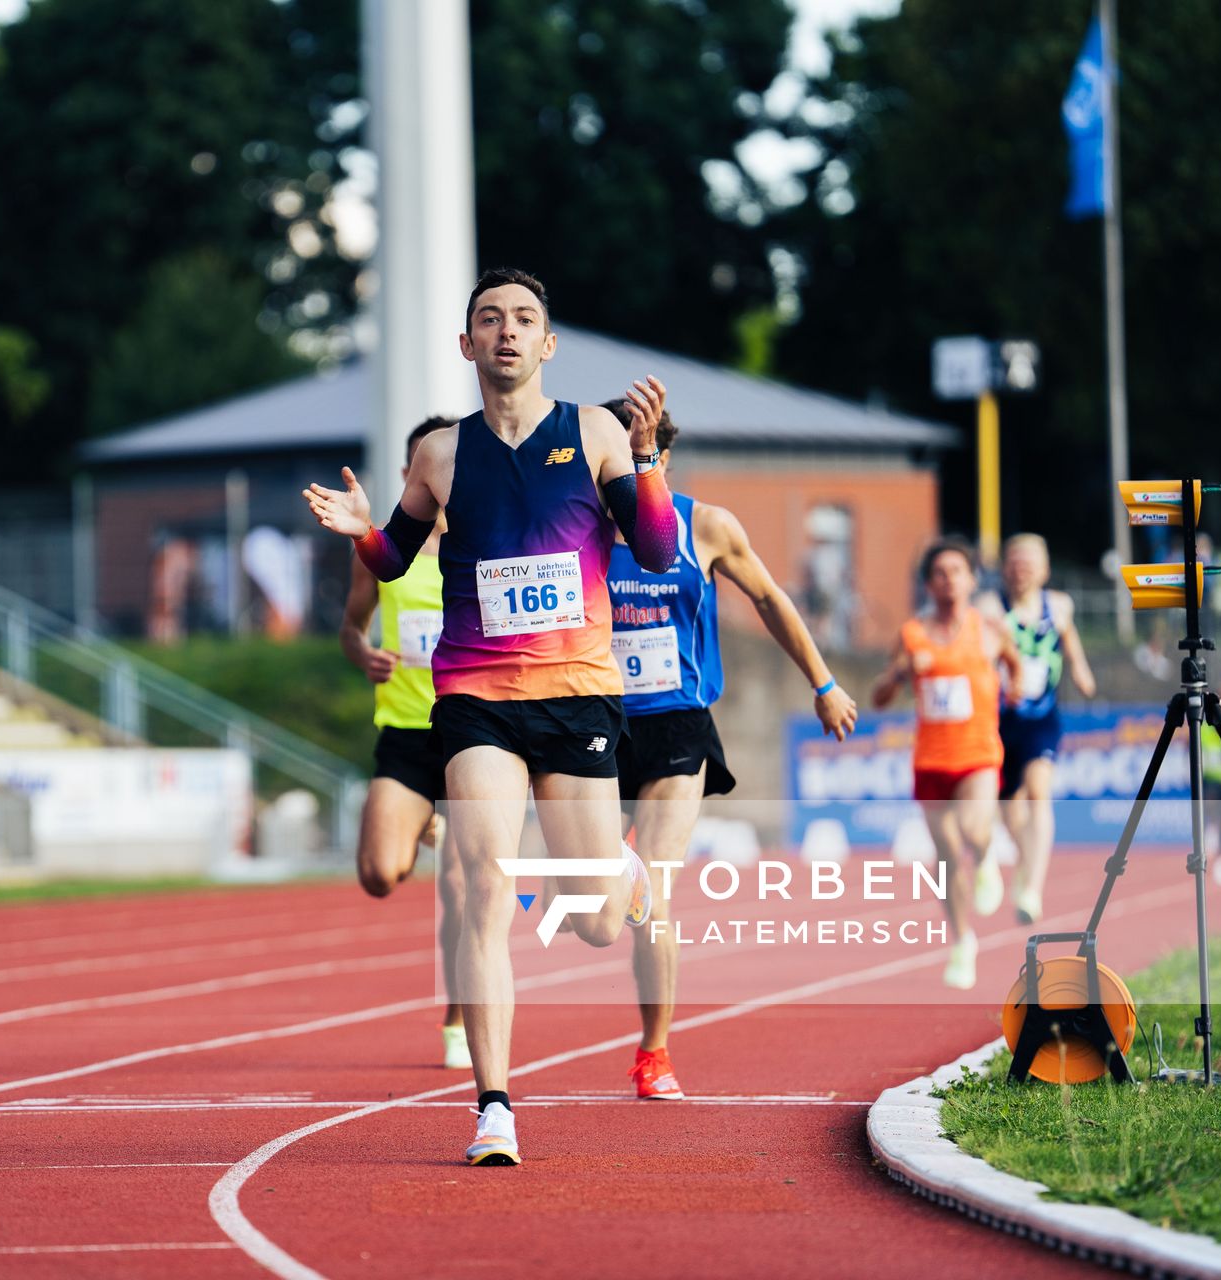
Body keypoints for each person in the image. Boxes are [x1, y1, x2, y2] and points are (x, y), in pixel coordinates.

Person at [304, 267, 674, 1166]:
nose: (506, 332)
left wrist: (652, 460)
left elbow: (658, 553)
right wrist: (363, 527)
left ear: (547, 344)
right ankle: (495, 1105)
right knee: (476, 888)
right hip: (473, 698)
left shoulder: (592, 433)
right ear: (466, 345)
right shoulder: (441, 455)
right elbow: (392, 561)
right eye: (488, 320)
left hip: (577, 693)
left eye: (524, 320)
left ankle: (616, 867)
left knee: (590, 919)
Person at [604, 400, 857, 1100]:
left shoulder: (704, 526)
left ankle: (654, 1053)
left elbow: (772, 599)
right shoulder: (577, 530)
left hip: (677, 722)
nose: (626, 475)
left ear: (665, 459)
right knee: (598, 904)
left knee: (654, 893)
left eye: (642, 458)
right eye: (616, 463)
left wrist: (824, 682)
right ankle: (608, 864)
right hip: (591, 723)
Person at [339, 415, 471, 1070]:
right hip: (405, 736)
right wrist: (364, 654)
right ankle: (417, 829)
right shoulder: (383, 554)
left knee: (464, 886)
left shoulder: (486, 545)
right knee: (378, 877)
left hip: (474, 736)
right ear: (407, 476)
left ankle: (457, 1018)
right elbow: (349, 630)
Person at [870, 538, 1021, 989]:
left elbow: (1016, 667)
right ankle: (961, 940)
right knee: (946, 855)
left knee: (972, 829)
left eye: (957, 570)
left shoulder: (991, 629)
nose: (949, 579)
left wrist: (1015, 687)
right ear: (928, 584)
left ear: (972, 579)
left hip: (978, 754)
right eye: (940, 573)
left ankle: (989, 856)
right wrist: (901, 672)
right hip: (932, 761)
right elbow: (879, 698)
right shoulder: (911, 634)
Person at [974, 533, 1096, 924]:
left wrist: (1080, 670)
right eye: (1013, 562)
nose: (1020, 570)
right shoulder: (990, 606)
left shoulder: (1059, 606)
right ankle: (1025, 865)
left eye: (1029, 563)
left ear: (1043, 569)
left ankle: (1032, 888)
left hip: (1042, 716)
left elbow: (1069, 639)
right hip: (1000, 718)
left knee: (1039, 792)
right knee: (1009, 808)